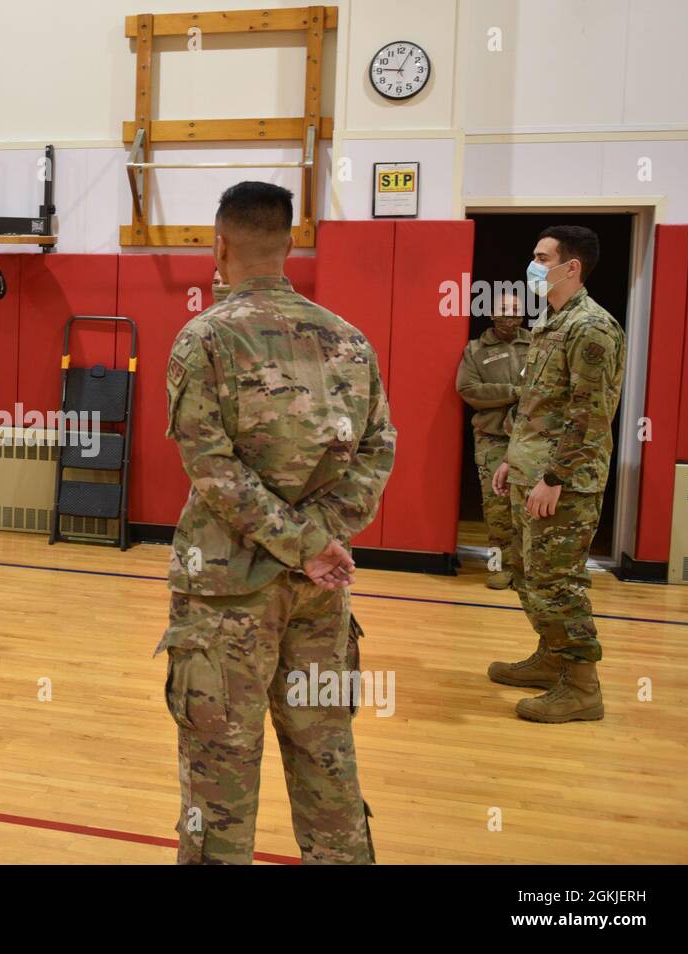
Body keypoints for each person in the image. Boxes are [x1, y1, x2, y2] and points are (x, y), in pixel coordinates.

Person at [160, 181, 396, 864]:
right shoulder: (346, 338)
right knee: (326, 753)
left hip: (228, 592)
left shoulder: (203, 337)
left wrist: (299, 543)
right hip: (320, 594)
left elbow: (211, 468)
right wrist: (319, 541)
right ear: (291, 244)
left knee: (220, 772)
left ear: (219, 244)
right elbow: (380, 448)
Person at [490, 225, 625, 723]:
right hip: (531, 469)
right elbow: (539, 407)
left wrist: (554, 476)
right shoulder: (552, 322)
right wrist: (513, 458)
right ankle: (552, 660)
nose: (533, 265)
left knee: (558, 583)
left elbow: (589, 414)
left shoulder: (591, 327)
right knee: (528, 576)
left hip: (563, 483)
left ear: (572, 267)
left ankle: (583, 687)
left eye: (542, 258)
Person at [456, 289, 531, 589]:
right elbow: (469, 390)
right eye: (503, 309)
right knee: (496, 508)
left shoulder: (537, 345)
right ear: (491, 313)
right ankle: (497, 567)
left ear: (523, 314)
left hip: (530, 437)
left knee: (527, 506)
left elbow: (546, 388)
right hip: (492, 438)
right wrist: (514, 392)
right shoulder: (476, 350)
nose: (508, 317)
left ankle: (524, 571)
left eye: (514, 310)